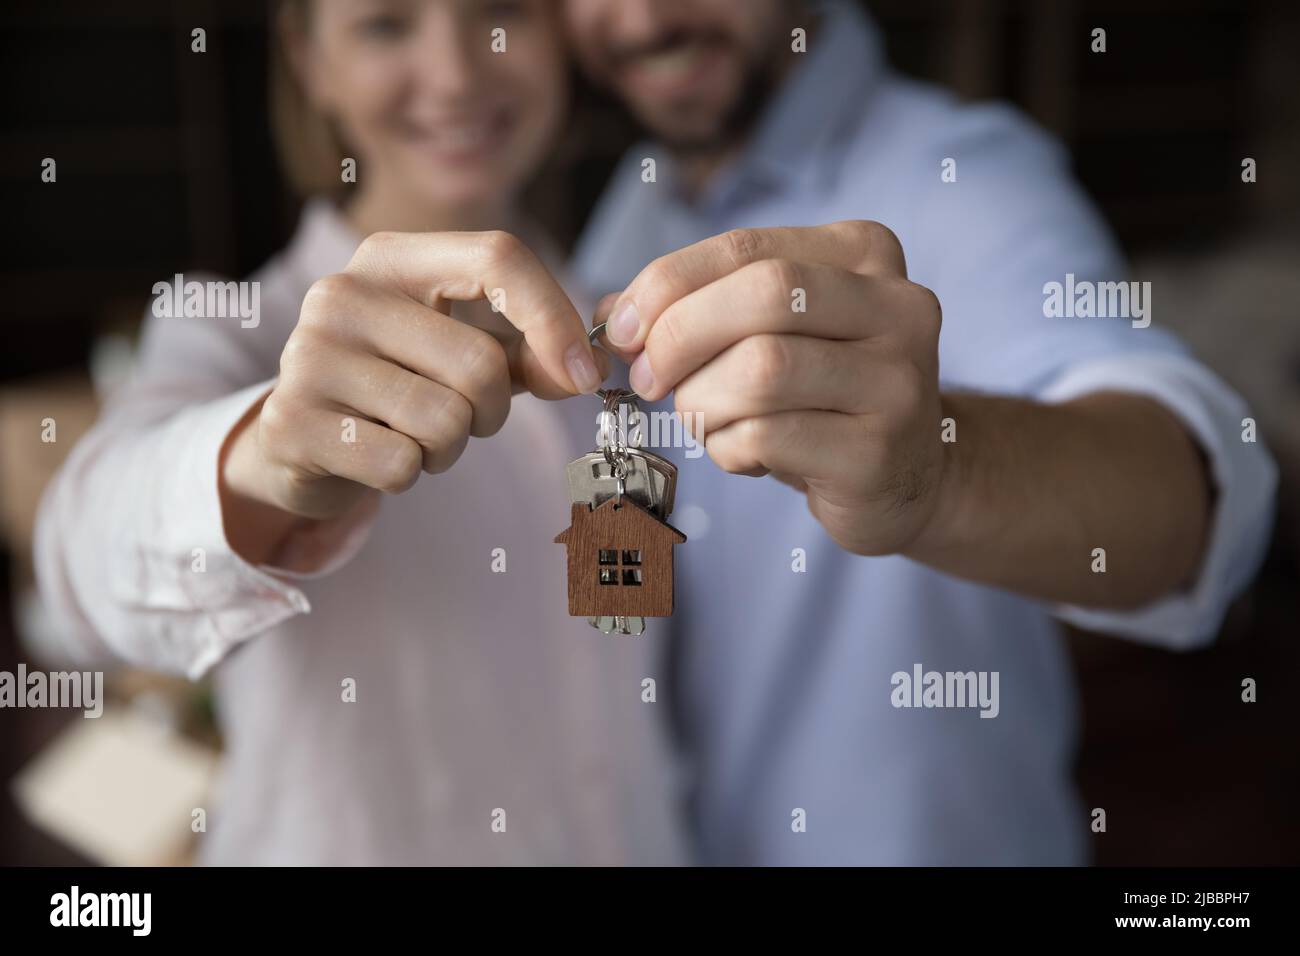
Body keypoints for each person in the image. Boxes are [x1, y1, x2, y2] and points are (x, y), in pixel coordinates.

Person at [559, 0, 1277, 862]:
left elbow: (1197, 503)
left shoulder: (967, 173)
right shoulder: (631, 209)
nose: (639, 19)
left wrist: (939, 473)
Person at [35, 0, 689, 865]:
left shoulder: (627, 329)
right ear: (310, 62)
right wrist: (267, 459)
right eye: (386, 23)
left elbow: (626, 656)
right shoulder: (232, 329)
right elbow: (85, 567)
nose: (457, 73)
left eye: (502, 12)